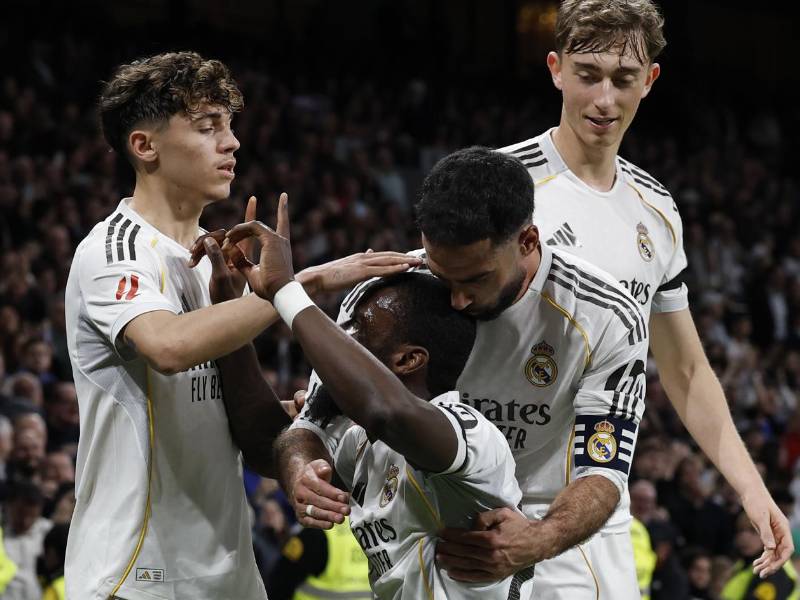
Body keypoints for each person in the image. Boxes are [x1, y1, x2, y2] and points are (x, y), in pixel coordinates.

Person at [64, 50, 418, 600]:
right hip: (140, 574)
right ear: (145, 146)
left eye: (229, 127)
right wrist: (307, 284)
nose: (230, 143)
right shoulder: (117, 249)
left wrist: (300, 434)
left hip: (229, 573)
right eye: (207, 128)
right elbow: (167, 347)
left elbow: (234, 427)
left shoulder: (211, 264)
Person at [491, 0, 791, 580]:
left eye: (623, 79)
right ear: (556, 69)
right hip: (498, 502)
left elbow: (685, 371)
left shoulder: (658, 211)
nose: (605, 99)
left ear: (649, 80)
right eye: (588, 76)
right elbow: (420, 322)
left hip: (600, 512)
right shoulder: (500, 184)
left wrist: (753, 492)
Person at [277, 146, 650, 598]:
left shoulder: (605, 315)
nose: (456, 300)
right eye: (441, 273)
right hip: (432, 521)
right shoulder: (390, 298)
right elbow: (314, 420)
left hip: (554, 522)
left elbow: (603, 468)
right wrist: (301, 470)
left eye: (475, 280)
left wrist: (537, 539)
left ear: (527, 241)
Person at [221, 190, 535, 597]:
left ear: (408, 360)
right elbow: (266, 444)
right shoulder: (362, 445)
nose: (341, 338)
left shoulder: (471, 435)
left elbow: (389, 411)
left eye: (358, 331)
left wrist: (287, 290)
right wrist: (226, 312)